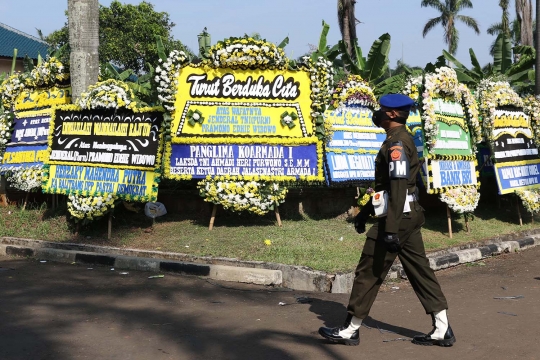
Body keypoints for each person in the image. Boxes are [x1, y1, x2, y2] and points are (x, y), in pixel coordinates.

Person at [318, 94, 455, 347]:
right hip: (407, 215)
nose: (378, 113)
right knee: (419, 271)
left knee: (368, 271)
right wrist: (366, 212)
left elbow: (398, 186)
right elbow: (386, 188)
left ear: (392, 115)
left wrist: (389, 229)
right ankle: (441, 328)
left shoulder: (397, 144)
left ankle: (350, 330)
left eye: (382, 110)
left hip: (397, 218)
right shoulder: (396, 139)